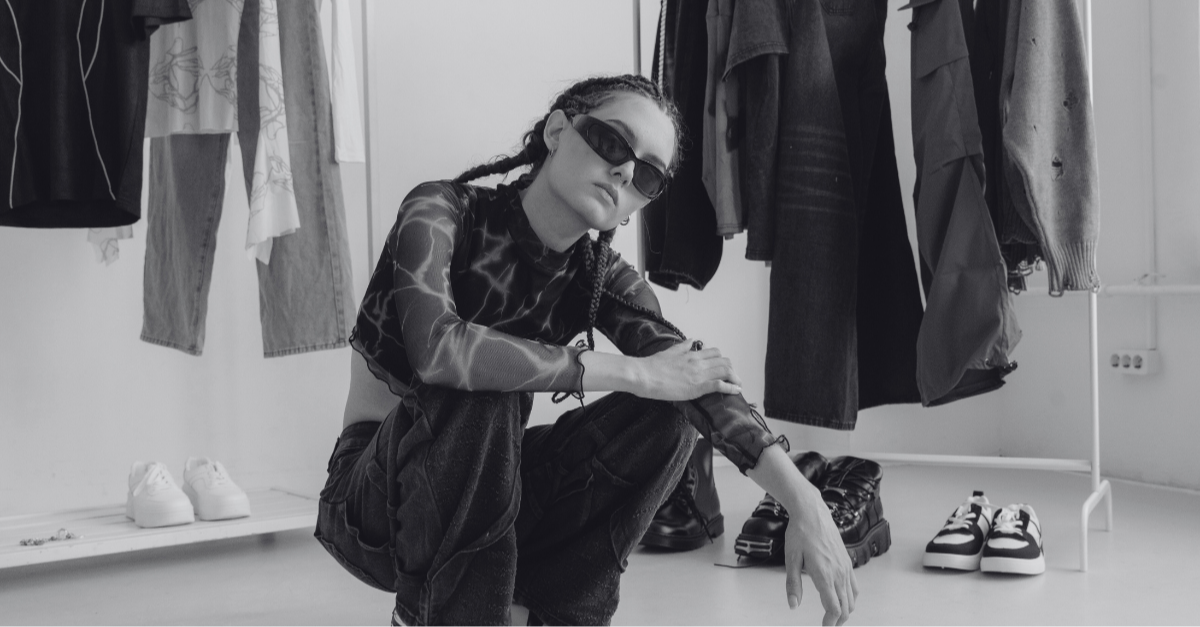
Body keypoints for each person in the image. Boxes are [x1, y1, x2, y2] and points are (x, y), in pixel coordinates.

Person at [314, 74, 857, 627]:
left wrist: (803, 501)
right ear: (557, 130)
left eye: (647, 174)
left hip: (493, 495)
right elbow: (438, 350)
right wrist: (629, 372)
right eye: (612, 142)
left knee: (673, 410)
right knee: (487, 381)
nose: (624, 172)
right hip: (373, 508)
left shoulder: (600, 278)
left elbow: (695, 379)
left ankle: (546, 614)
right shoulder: (441, 210)